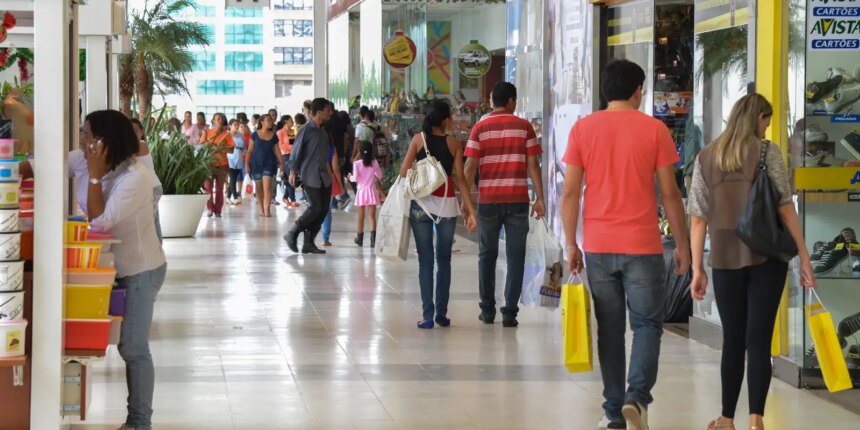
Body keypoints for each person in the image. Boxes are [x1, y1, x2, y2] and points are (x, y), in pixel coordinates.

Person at [559, 60, 690, 430]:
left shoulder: (583, 129)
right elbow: (670, 194)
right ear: (637, 90)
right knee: (648, 325)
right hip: (644, 246)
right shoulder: (655, 130)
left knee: (610, 329)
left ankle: (614, 411)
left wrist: (571, 243)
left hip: (599, 246)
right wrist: (682, 245)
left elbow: (570, 193)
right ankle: (637, 397)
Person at [688, 94, 816, 430]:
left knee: (733, 339)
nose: (768, 127)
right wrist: (803, 254)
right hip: (766, 256)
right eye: (766, 120)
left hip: (725, 259)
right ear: (757, 118)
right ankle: (756, 418)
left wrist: (697, 268)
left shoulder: (706, 157)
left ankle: (727, 419)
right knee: (759, 339)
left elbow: (698, 217)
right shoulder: (766, 152)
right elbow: (785, 207)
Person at [72, 110, 166, 430]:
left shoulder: (135, 178)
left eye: (87, 134)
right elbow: (39, 163)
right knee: (123, 344)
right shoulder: (86, 159)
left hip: (140, 269)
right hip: (114, 268)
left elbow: (99, 222)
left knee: (133, 347)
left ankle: (140, 422)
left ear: (105, 141)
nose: (82, 141)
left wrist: (95, 175)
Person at [463, 82, 545, 328]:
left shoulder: (480, 128)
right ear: (511, 101)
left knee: (486, 255)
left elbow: (469, 168)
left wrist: (466, 204)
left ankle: (487, 310)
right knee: (515, 256)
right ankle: (510, 311)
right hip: (517, 200)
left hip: (488, 201)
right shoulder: (524, 127)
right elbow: (533, 165)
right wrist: (540, 198)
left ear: (491, 100)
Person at [401, 101, 478, 329]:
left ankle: (427, 315)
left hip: (421, 206)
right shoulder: (454, 143)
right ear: (446, 120)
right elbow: (461, 179)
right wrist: (470, 210)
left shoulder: (418, 140)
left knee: (425, 261)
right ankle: (441, 314)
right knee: (444, 260)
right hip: (446, 206)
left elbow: (404, 171)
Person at [284, 98, 334, 254]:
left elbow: (325, 156)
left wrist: (330, 175)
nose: (330, 113)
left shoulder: (324, 132)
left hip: (324, 177)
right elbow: (296, 151)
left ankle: (309, 242)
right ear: (318, 112)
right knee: (315, 207)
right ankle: (293, 231)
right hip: (309, 175)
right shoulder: (306, 129)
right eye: (327, 110)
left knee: (323, 209)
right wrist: (293, 171)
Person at [129, 118, 164, 242]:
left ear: (141, 131)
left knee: (149, 223)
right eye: (129, 131)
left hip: (151, 188)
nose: (133, 134)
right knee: (154, 222)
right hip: (151, 187)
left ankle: (155, 252)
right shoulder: (137, 144)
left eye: (136, 131)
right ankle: (158, 252)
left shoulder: (140, 144)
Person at [245, 114, 285, 217]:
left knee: (267, 187)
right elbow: (249, 151)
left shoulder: (274, 135)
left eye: (271, 121)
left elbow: (277, 151)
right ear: (262, 122)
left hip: (269, 163)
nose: (271, 122)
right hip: (256, 163)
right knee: (258, 188)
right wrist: (246, 164)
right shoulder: (254, 135)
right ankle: (261, 209)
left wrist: (282, 164)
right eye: (268, 120)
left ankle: (267, 210)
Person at [199, 112, 234, 217]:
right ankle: (209, 208)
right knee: (208, 188)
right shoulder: (207, 132)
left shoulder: (227, 134)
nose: (219, 120)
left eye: (221, 119)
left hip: (222, 164)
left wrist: (219, 148)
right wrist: (213, 146)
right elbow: (201, 145)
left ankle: (218, 210)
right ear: (213, 121)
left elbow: (232, 150)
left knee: (220, 189)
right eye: (217, 119)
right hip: (208, 164)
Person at [350, 140, 382, 247]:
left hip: (361, 191)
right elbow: (380, 176)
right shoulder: (375, 163)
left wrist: (349, 177)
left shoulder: (357, 164)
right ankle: (373, 240)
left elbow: (355, 179)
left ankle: (360, 239)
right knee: (372, 216)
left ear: (360, 151)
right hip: (372, 191)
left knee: (360, 216)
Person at [320, 144, 343, 246]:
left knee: (314, 208)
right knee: (326, 209)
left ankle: (309, 236)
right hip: (327, 181)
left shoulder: (312, 144)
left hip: (312, 179)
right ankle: (325, 238)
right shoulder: (331, 148)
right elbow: (335, 168)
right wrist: (341, 185)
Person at [277, 115, 298, 207]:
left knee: (293, 176)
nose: (292, 122)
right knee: (290, 176)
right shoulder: (280, 132)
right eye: (291, 120)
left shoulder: (294, 131)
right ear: (285, 121)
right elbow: (280, 145)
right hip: (285, 156)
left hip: (294, 156)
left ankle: (285, 197)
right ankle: (293, 199)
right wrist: (292, 147)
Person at [227, 119, 247, 205]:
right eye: (235, 125)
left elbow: (244, 147)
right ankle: (235, 197)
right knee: (233, 178)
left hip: (239, 158)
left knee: (233, 178)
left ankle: (228, 197)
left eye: (237, 125)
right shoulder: (227, 135)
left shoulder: (241, 135)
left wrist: (239, 147)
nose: (237, 126)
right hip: (229, 158)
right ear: (230, 126)